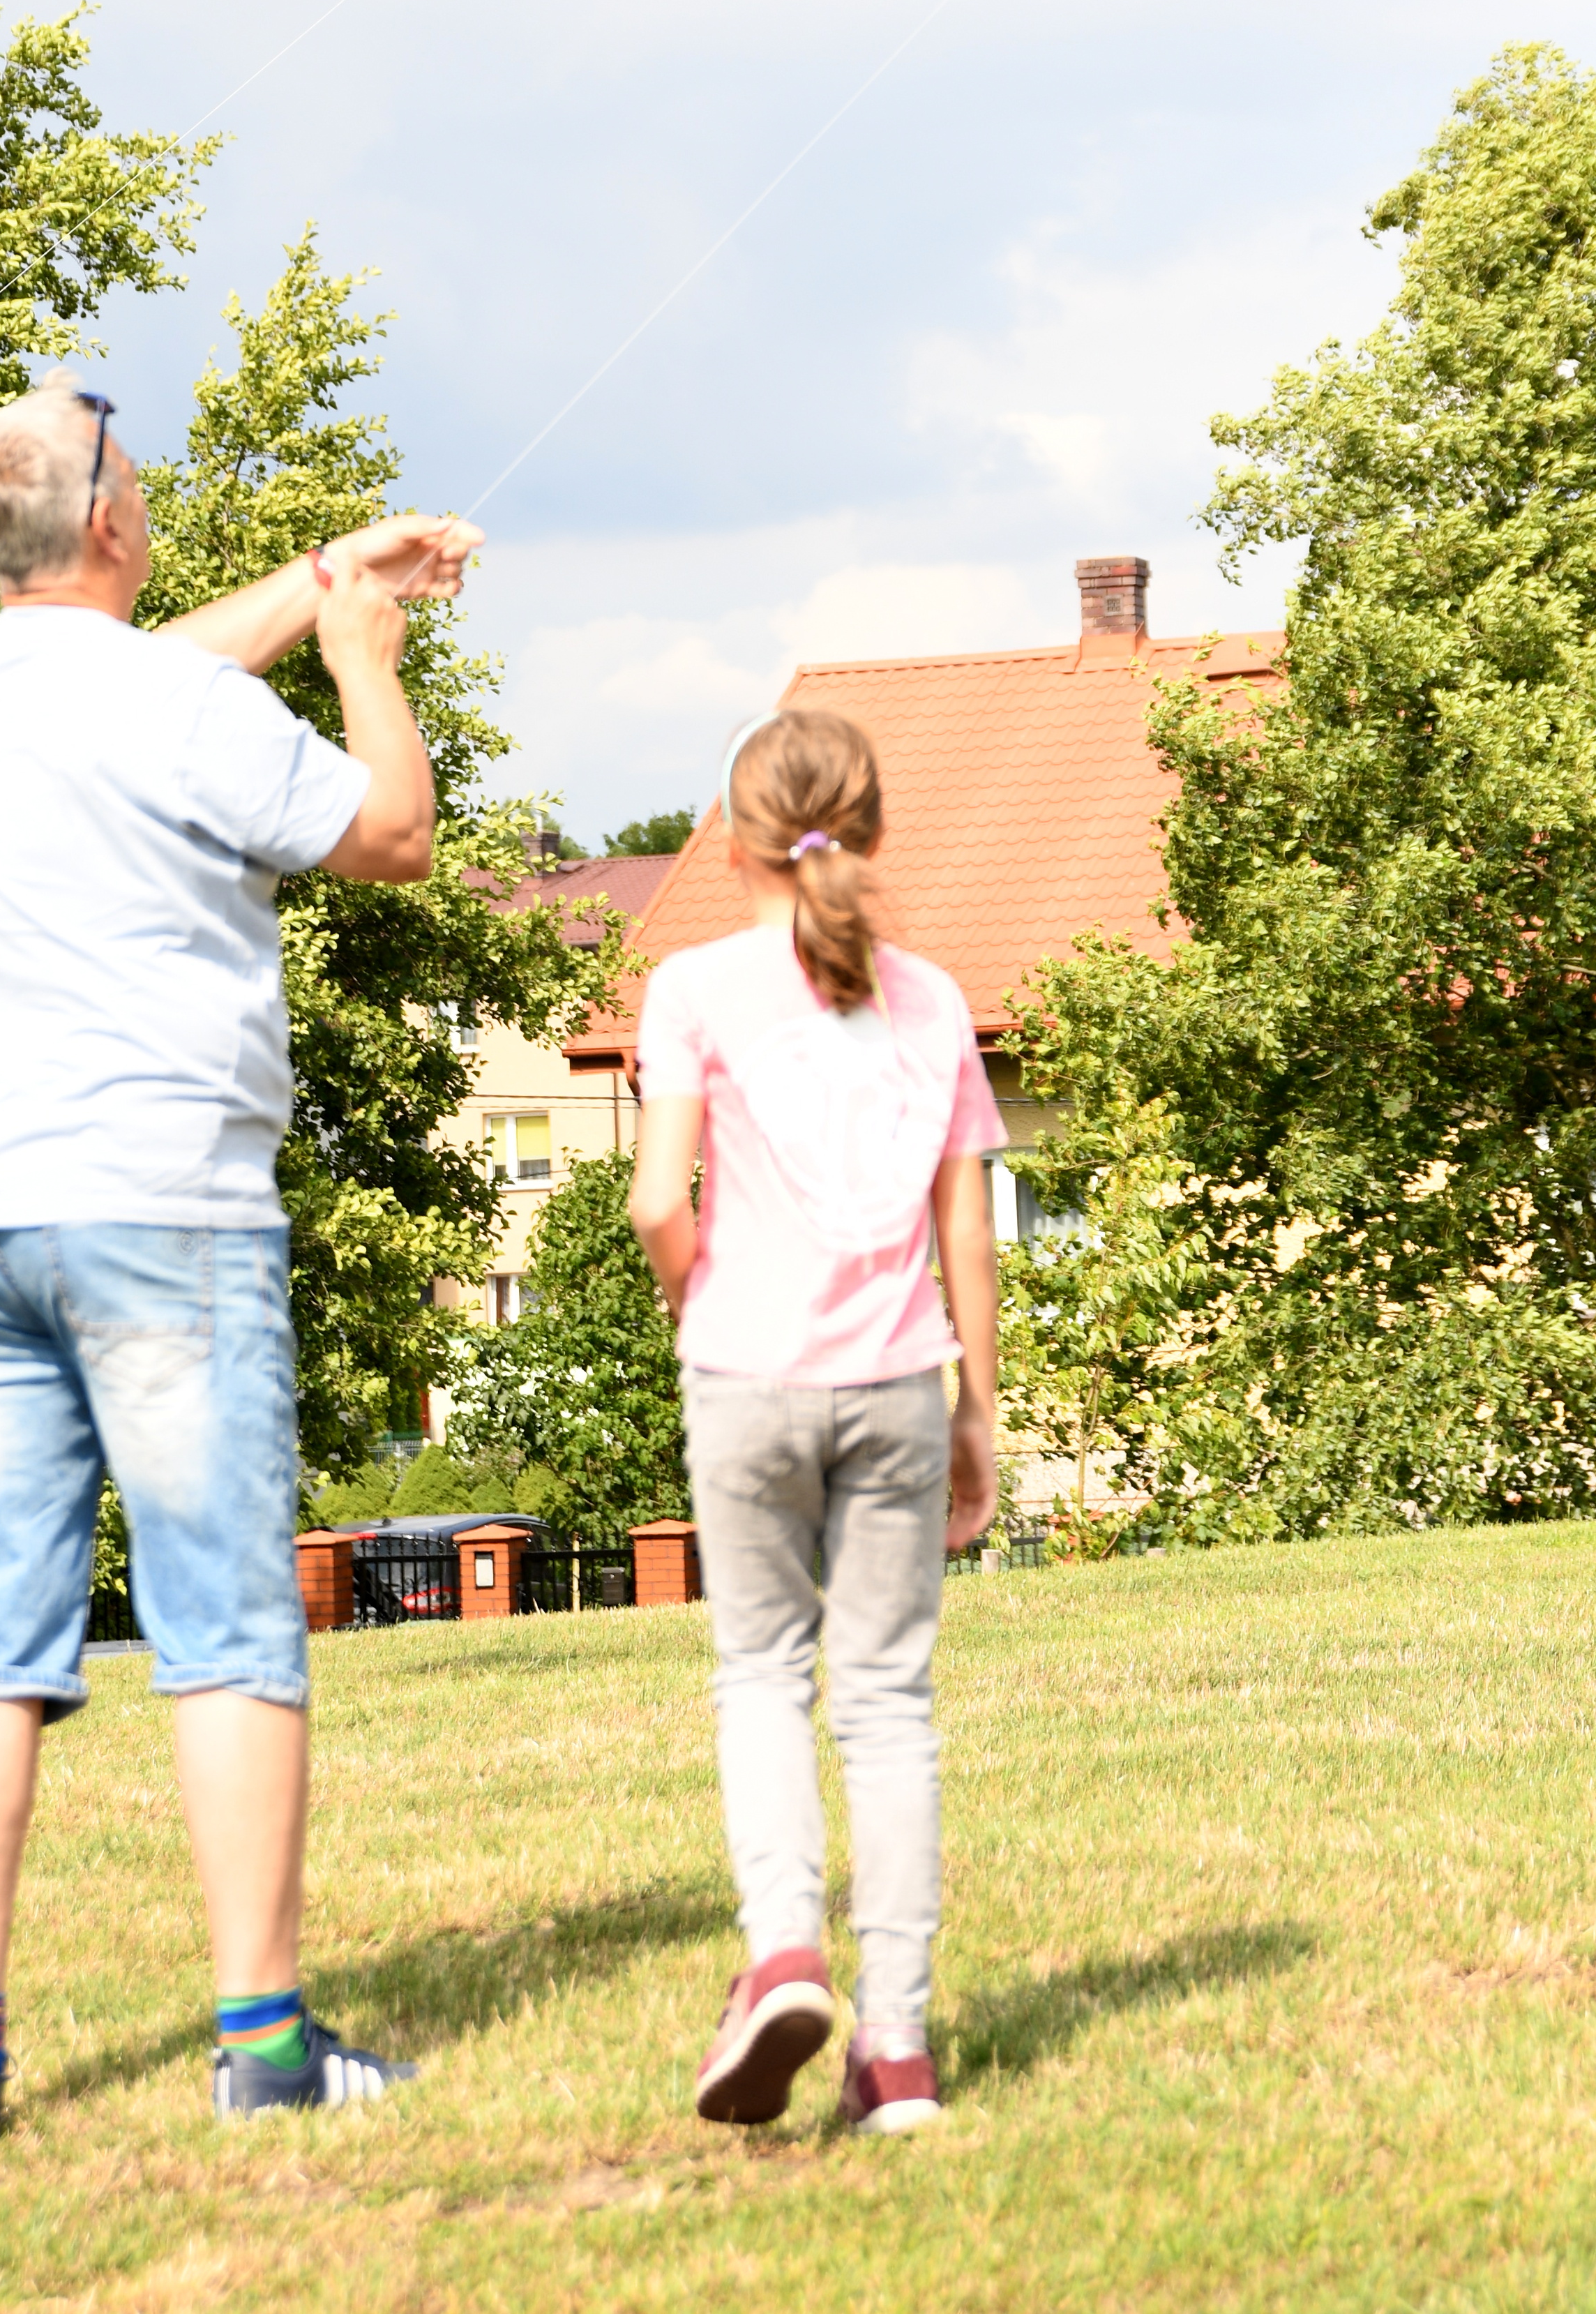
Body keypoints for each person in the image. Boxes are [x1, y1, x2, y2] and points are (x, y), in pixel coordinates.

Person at [0, 371, 481, 2142]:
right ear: (118, 526)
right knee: (225, 1624)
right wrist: (365, 644)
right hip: (158, 1208)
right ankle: (266, 2046)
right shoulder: (166, 705)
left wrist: (315, 572)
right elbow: (394, 836)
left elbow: (148, 681)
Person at [631, 702, 1002, 2138]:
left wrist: (694, 1301)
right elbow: (965, 1223)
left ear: (734, 843)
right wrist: (980, 1403)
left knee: (760, 1676)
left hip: (748, 1375)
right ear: (874, 831)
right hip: (903, 1378)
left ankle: (785, 1950)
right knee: (890, 1705)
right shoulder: (931, 998)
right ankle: (897, 2051)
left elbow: (664, 1198)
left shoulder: (697, 989)